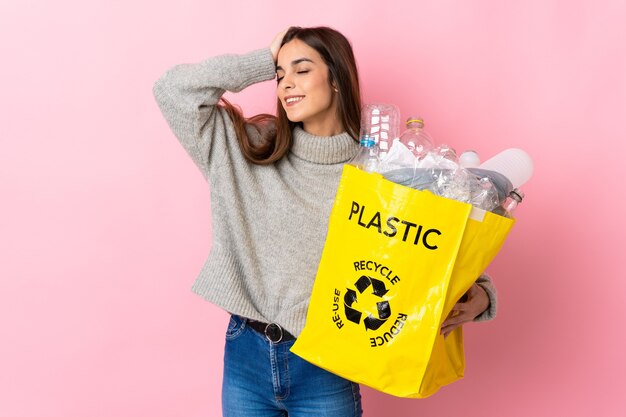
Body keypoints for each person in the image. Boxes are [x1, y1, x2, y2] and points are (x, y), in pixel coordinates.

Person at [153, 26, 497, 417]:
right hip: (245, 354)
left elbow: (429, 247)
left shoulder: (380, 169)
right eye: (280, 74)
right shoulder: (250, 148)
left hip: (326, 365)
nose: (285, 85)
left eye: (301, 70)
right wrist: (262, 61)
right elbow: (172, 90)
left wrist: (482, 293)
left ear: (336, 78)